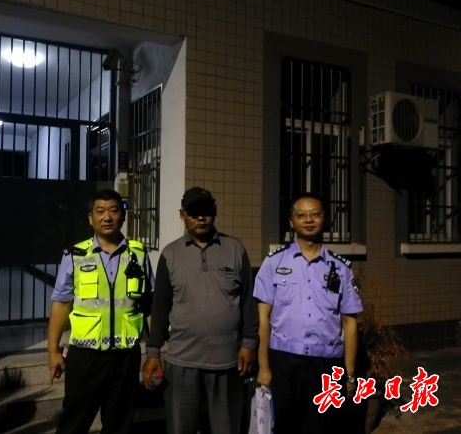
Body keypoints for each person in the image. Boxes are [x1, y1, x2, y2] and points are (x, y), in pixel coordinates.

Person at [142, 186, 258, 434]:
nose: (201, 217)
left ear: (214, 212)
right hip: (182, 363)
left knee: (226, 429)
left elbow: (248, 300)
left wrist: (249, 343)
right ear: (182, 215)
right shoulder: (170, 254)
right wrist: (153, 352)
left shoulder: (235, 249)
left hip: (227, 363)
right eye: (194, 212)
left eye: (206, 211)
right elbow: (160, 307)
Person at [254, 192, 363, 433]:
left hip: (327, 364)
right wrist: (263, 367)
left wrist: (350, 374)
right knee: (286, 427)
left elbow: (350, 323)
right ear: (291, 222)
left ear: (324, 219)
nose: (309, 220)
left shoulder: (341, 268)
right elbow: (263, 320)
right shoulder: (274, 263)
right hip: (284, 362)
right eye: (301, 215)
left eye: (315, 214)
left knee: (326, 428)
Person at [47, 188, 154, 434]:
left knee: (120, 426)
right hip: (85, 357)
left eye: (114, 211)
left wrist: (154, 351)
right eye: (100, 211)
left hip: (125, 357)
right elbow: (61, 305)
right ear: (90, 218)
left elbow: (148, 304)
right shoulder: (75, 255)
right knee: (73, 424)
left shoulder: (138, 254)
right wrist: (52, 351)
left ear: (123, 216)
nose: (107, 217)